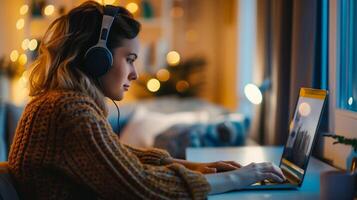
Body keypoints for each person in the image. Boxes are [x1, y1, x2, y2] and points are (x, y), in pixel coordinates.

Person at [8, 1, 285, 199]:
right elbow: (142, 186)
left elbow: (119, 159)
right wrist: (238, 178)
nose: (135, 73)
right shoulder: (69, 111)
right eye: (129, 60)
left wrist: (191, 167)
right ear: (97, 59)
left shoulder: (57, 104)